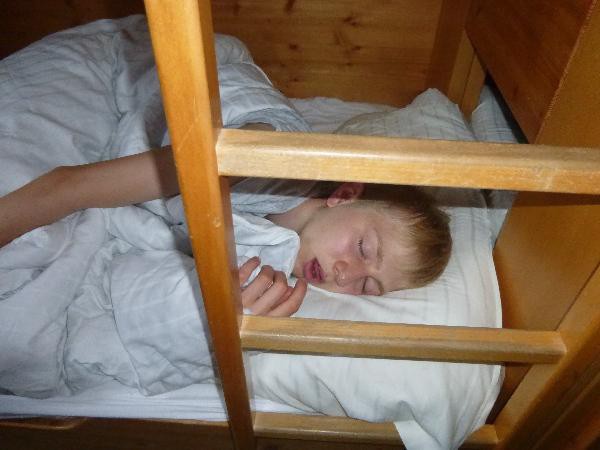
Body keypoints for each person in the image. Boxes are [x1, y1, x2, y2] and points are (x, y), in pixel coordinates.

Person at [0, 126, 451, 317]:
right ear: (344, 195)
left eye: (368, 287)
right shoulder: (257, 159)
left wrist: (234, 311)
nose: (345, 275)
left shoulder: (277, 267)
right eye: (363, 249)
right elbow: (69, 186)